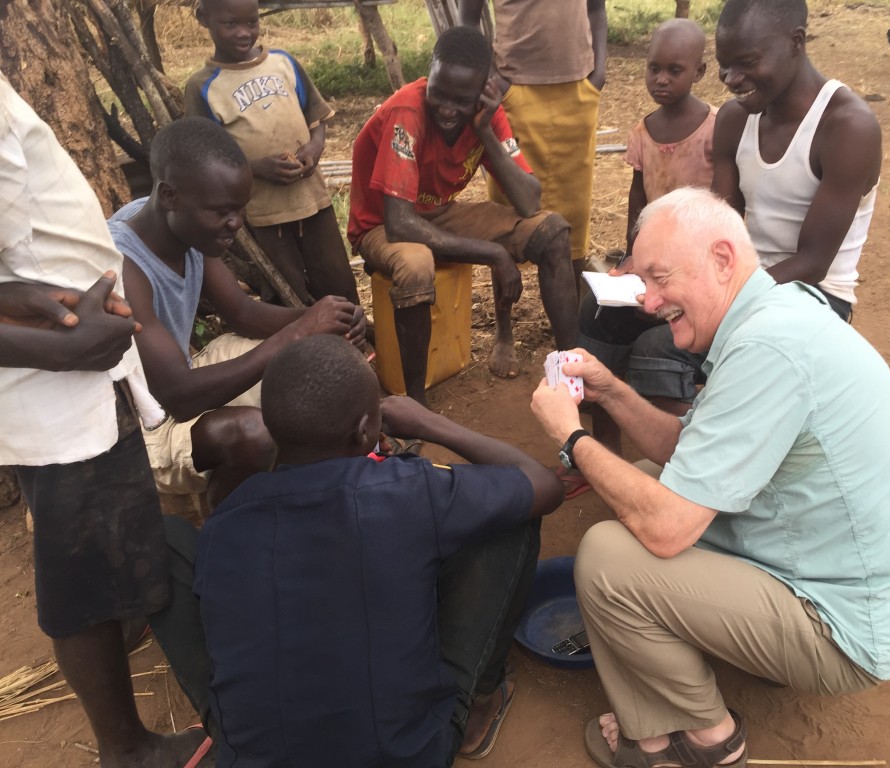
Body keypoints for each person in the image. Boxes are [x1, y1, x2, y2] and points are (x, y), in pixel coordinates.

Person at [531, 187, 890, 767]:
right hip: (837, 575)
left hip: (840, 629)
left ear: (722, 258)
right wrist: (613, 391)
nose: (647, 301)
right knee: (644, 479)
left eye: (659, 277)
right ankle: (690, 685)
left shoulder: (768, 349)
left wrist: (572, 438)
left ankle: (696, 738)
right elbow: (684, 447)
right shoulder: (776, 314)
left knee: (609, 556)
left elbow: (667, 529)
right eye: (642, 281)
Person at [187, 334, 564, 766]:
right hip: (404, 754)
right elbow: (544, 486)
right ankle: (479, 704)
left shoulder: (223, 525)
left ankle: (216, 726)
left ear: (273, 427)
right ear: (368, 429)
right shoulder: (406, 491)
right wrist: (426, 422)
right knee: (510, 517)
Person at [0, 72, 212, 768]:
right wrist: (56, 347)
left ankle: (121, 637)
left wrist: (42, 303)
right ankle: (127, 747)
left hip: (75, 359)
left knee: (108, 538)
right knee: (82, 566)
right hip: (54, 380)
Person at [111, 116, 366, 506]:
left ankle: (329, 489)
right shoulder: (124, 265)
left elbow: (242, 313)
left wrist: (326, 317)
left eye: (240, 208)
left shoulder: (183, 224)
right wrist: (299, 331)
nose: (236, 223)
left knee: (324, 367)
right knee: (251, 435)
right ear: (168, 196)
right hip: (137, 425)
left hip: (178, 379)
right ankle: (223, 535)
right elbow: (177, 396)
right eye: (222, 212)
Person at [347, 26, 578, 400]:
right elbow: (400, 221)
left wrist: (485, 132)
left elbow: (529, 203)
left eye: (462, 99)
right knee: (416, 265)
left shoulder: (488, 114)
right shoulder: (408, 111)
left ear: (484, 90)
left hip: (437, 212)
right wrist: (493, 252)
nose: (447, 109)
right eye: (439, 93)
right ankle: (415, 405)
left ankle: (573, 370)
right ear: (430, 74)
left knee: (551, 232)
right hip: (381, 225)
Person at [569, 18, 716, 498]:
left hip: (695, 264)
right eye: (654, 68)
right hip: (653, 260)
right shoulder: (643, 131)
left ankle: (678, 458)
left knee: (656, 340)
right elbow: (638, 197)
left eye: (676, 70)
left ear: (701, 70)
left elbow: (725, 212)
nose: (662, 79)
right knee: (595, 311)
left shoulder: (715, 132)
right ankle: (600, 448)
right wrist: (634, 255)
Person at [711, 0, 882, 322]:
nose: (731, 79)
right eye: (724, 65)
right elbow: (720, 227)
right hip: (750, 281)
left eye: (747, 62)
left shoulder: (847, 127)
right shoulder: (734, 119)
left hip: (819, 297)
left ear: (796, 42)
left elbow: (813, 263)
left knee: (662, 345)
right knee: (614, 315)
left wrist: (727, 296)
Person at [184, 0, 360, 307]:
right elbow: (207, 161)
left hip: (312, 200)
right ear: (203, 18)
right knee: (287, 292)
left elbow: (316, 118)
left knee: (337, 280)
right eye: (230, 24)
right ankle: (303, 350)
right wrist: (255, 168)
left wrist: (315, 147)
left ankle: (355, 346)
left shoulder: (283, 63)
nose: (244, 33)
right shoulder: (204, 87)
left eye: (252, 22)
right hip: (262, 215)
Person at [459, 0, 608, 279]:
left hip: (577, 95)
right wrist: (493, 79)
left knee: (575, 212)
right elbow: (468, 19)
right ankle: (504, 321)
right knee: (508, 208)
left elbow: (596, 9)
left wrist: (598, 73)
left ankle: (569, 319)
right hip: (514, 95)